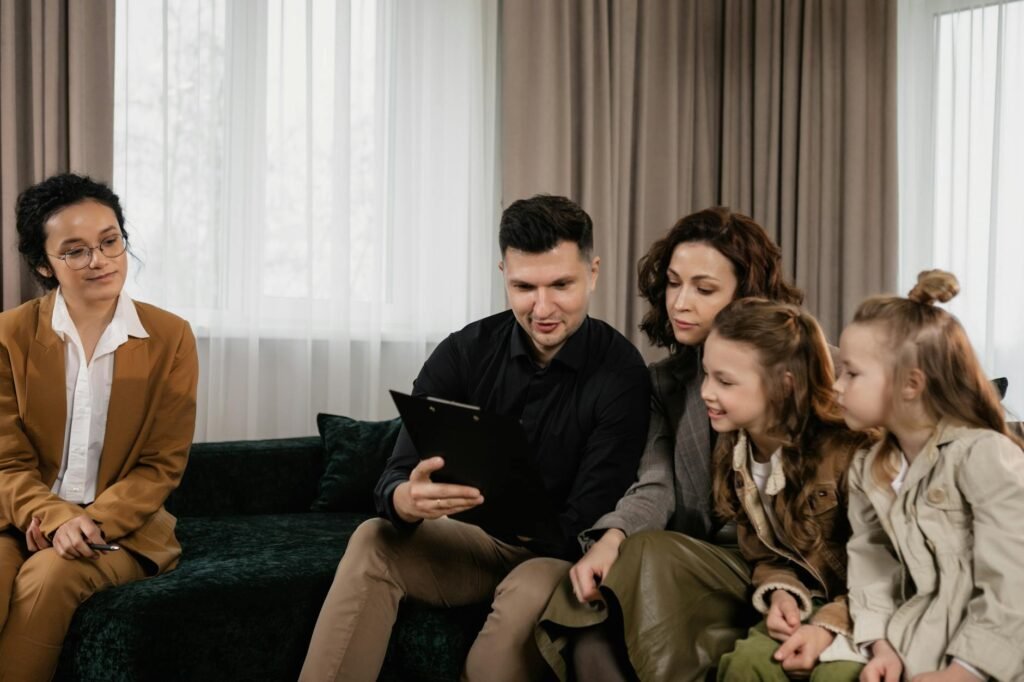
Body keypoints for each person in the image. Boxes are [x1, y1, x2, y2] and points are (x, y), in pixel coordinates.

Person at [299, 194, 651, 682]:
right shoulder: (463, 351)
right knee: (373, 537)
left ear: (593, 273)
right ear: (502, 272)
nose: (542, 307)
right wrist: (405, 499)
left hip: (558, 555)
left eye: (562, 285)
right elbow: (396, 475)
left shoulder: (624, 374)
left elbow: (588, 519)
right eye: (524, 286)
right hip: (473, 543)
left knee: (509, 624)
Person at [537, 207, 804, 682]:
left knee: (647, 555)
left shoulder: (808, 372)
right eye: (674, 283)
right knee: (600, 585)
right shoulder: (664, 383)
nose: (680, 303)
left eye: (703, 289)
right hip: (701, 561)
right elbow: (656, 484)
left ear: (747, 296)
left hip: (787, 565)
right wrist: (611, 536)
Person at [0, 173, 199, 679]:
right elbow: (7, 460)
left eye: (110, 241)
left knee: (49, 576)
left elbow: (161, 464)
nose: (100, 260)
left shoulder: (171, 336)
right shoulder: (10, 335)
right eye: (76, 250)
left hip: (120, 527)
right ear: (45, 264)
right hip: (20, 517)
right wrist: (55, 516)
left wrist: (89, 522)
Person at [836, 270, 1024, 682]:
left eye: (851, 373)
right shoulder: (869, 468)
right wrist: (879, 644)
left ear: (911, 384)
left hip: (990, 660)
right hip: (912, 642)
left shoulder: (983, 454)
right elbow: (871, 566)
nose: (837, 386)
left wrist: (967, 672)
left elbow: (1013, 582)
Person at [707, 298, 870, 681]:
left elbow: (889, 571)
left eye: (724, 381)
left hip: (871, 608)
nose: (706, 393)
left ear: (784, 387)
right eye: (706, 375)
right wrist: (783, 594)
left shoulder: (852, 451)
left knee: (839, 674)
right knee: (746, 663)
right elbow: (769, 554)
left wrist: (827, 625)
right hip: (814, 599)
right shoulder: (737, 450)